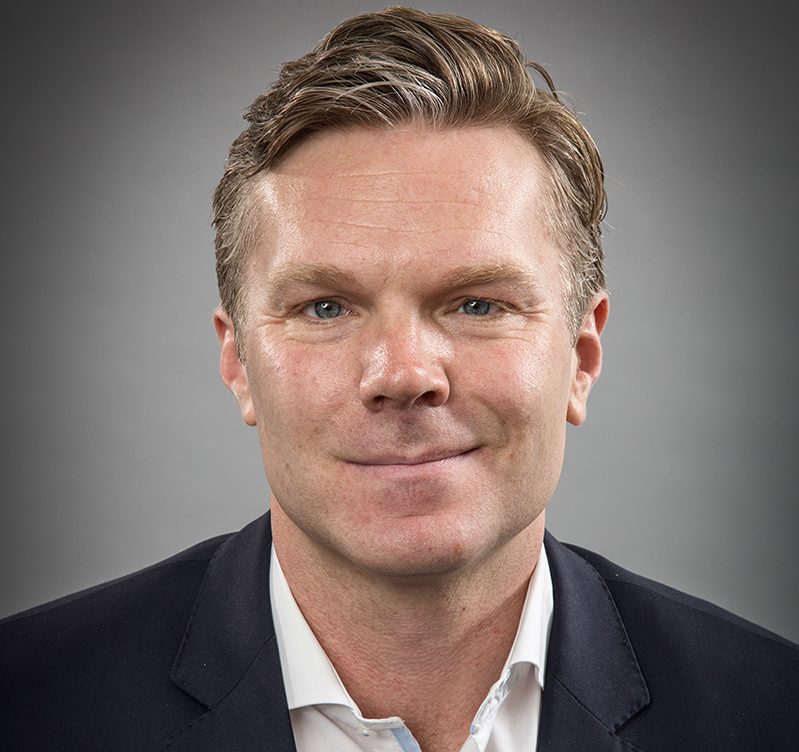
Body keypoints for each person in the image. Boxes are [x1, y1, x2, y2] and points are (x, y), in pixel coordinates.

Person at [1, 7, 796, 751]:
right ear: (238, 362)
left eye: (478, 304)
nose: (404, 374)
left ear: (581, 358)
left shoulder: (770, 710)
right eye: (324, 308)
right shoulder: (28, 700)